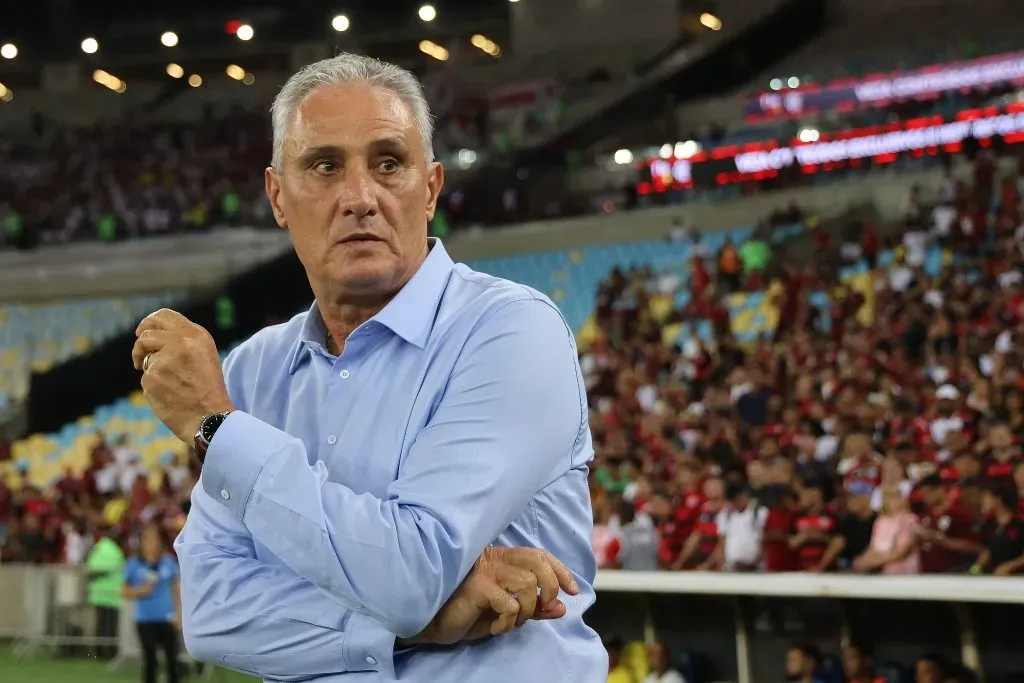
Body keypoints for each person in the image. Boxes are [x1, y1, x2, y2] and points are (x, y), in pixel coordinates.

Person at [131, 53, 604, 681]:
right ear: (278, 196)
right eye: (324, 166)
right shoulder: (251, 372)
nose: (359, 197)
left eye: (388, 163)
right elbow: (214, 612)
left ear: (430, 188)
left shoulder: (510, 331)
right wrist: (415, 624)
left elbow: (413, 573)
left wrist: (216, 425)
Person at [123, 524, 181, 683]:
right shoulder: (134, 564)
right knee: (150, 661)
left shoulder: (168, 562)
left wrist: (180, 615)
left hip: (167, 618)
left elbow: (177, 589)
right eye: (148, 540)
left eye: (154, 539)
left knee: (172, 661)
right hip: (145, 619)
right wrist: (140, 591)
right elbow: (125, 592)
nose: (151, 543)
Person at [853, 486, 920, 575]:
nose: (892, 501)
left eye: (896, 496)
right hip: (880, 572)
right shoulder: (880, 521)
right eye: (888, 497)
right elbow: (874, 547)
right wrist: (863, 560)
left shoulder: (909, 520)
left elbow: (901, 552)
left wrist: (871, 563)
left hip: (902, 571)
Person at [85, 524, 125, 660]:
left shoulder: (101, 548)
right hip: (112, 594)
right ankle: (109, 653)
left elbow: (92, 568)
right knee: (110, 627)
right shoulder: (113, 549)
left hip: (102, 594)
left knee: (102, 625)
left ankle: (101, 653)